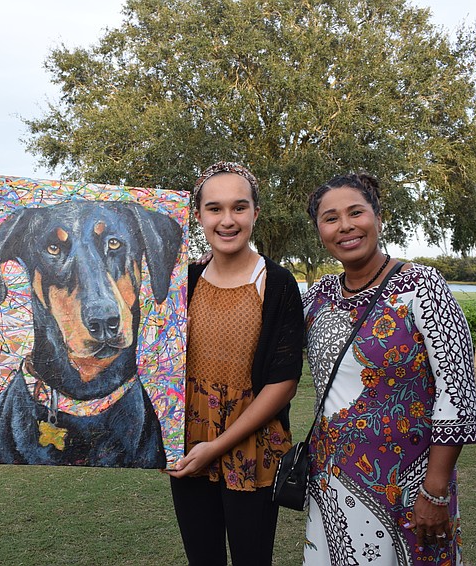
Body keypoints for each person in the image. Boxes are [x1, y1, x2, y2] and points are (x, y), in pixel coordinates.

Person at [301, 172, 476, 565]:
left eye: (355, 213)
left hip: (412, 485)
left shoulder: (422, 286)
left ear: (378, 218)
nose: (345, 226)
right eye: (330, 218)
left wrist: (435, 492)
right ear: (319, 231)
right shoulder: (317, 298)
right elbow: (265, 347)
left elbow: (458, 392)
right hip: (331, 480)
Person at [167, 161, 304, 565]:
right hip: (190, 444)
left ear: (255, 213)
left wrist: (218, 447)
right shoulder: (182, 283)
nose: (227, 220)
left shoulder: (278, 284)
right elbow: (157, 364)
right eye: (214, 208)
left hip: (253, 447)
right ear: (198, 216)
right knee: (202, 558)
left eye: (239, 208)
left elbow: (283, 383)